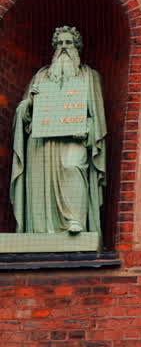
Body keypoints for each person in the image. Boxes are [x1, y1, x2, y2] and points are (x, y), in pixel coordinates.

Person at [10, 25, 107, 235]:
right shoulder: (41, 76)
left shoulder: (89, 76)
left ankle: (76, 221)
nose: (64, 47)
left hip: (74, 138)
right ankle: (40, 230)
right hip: (41, 141)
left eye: (69, 43)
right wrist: (30, 103)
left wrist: (87, 128)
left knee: (73, 168)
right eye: (60, 43)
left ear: (77, 47)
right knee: (39, 182)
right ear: (54, 47)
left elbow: (98, 119)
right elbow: (22, 111)